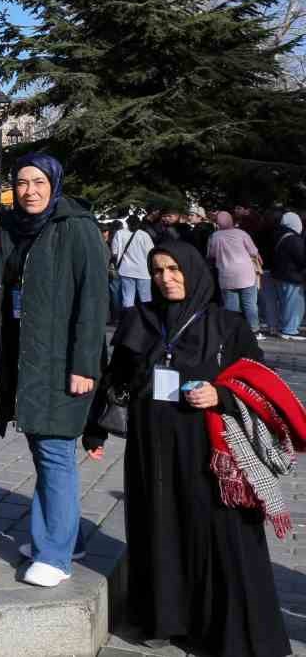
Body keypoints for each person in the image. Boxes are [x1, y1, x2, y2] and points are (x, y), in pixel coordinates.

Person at [96, 242, 288, 657]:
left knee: (215, 529)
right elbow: (117, 379)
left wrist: (219, 394)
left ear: (195, 271)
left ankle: (220, 625)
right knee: (159, 524)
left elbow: (258, 380)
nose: (167, 278)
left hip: (210, 447)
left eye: (175, 269)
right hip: (153, 446)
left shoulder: (227, 324)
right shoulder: (141, 319)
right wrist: (97, 428)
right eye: (158, 270)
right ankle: (166, 617)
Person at [0, 154, 108, 586]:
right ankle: (59, 537)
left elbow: (93, 302)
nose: (29, 191)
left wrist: (84, 364)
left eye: (38, 182)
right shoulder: (9, 229)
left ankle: (55, 554)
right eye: (21, 182)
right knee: (44, 452)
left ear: (54, 184)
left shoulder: (76, 228)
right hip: (25, 357)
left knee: (56, 453)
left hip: (62, 361)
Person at [209, 212, 264, 336]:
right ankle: (254, 330)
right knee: (250, 304)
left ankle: (233, 331)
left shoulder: (215, 236)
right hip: (246, 273)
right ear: (232, 221)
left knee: (230, 305)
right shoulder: (242, 234)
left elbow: (211, 254)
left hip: (226, 274)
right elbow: (253, 251)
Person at [112, 216, 155, 314]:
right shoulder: (144, 235)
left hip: (125, 270)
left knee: (127, 298)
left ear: (127, 223)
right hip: (143, 271)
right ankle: (146, 319)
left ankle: (127, 319)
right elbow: (150, 253)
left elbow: (114, 252)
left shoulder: (119, 234)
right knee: (145, 298)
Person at [272, 212, 304, 341]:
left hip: (281, 275)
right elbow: (302, 258)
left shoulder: (279, 235)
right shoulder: (293, 239)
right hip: (293, 276)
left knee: (285, 303)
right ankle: (290, 330)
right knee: (295, 304)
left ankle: (285, 328)